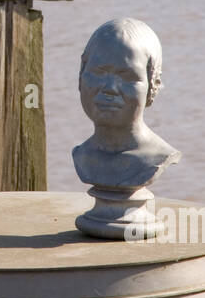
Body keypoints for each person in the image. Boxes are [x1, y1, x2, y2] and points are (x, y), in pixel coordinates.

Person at [73, 17, 180, 192]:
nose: (110, 88)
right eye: (99, 73)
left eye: (128, 77)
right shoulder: (82, 155)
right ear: (81, 75)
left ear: (152, 86)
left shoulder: (156, 157)